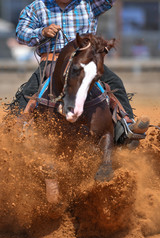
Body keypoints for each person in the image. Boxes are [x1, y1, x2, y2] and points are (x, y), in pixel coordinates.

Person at [9, 0, 149, 203]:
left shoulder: (90, 4)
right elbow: (21, 33)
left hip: (87, 63)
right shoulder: (37, 7)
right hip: (52, 62)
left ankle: (127, 126)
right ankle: (13, 136)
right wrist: (42, 32)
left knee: (114, 83)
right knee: (27, 95)